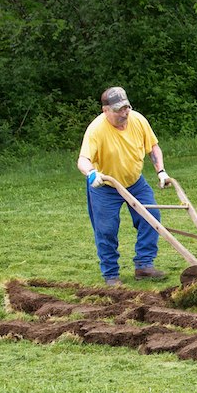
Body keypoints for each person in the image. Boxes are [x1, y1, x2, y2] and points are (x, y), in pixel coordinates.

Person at [77, 86, 172, 286]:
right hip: (106, 187)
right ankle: (111, 275)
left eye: (126, 108)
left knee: (151, 217)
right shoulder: (96, 130)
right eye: (119, 110)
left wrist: (161, 171)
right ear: (105, 111)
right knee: (106, 230)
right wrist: (91, 173)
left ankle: (144, 265)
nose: (124, 113)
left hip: (135, 182)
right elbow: (83, 160)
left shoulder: (138, 120)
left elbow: (153, 147)